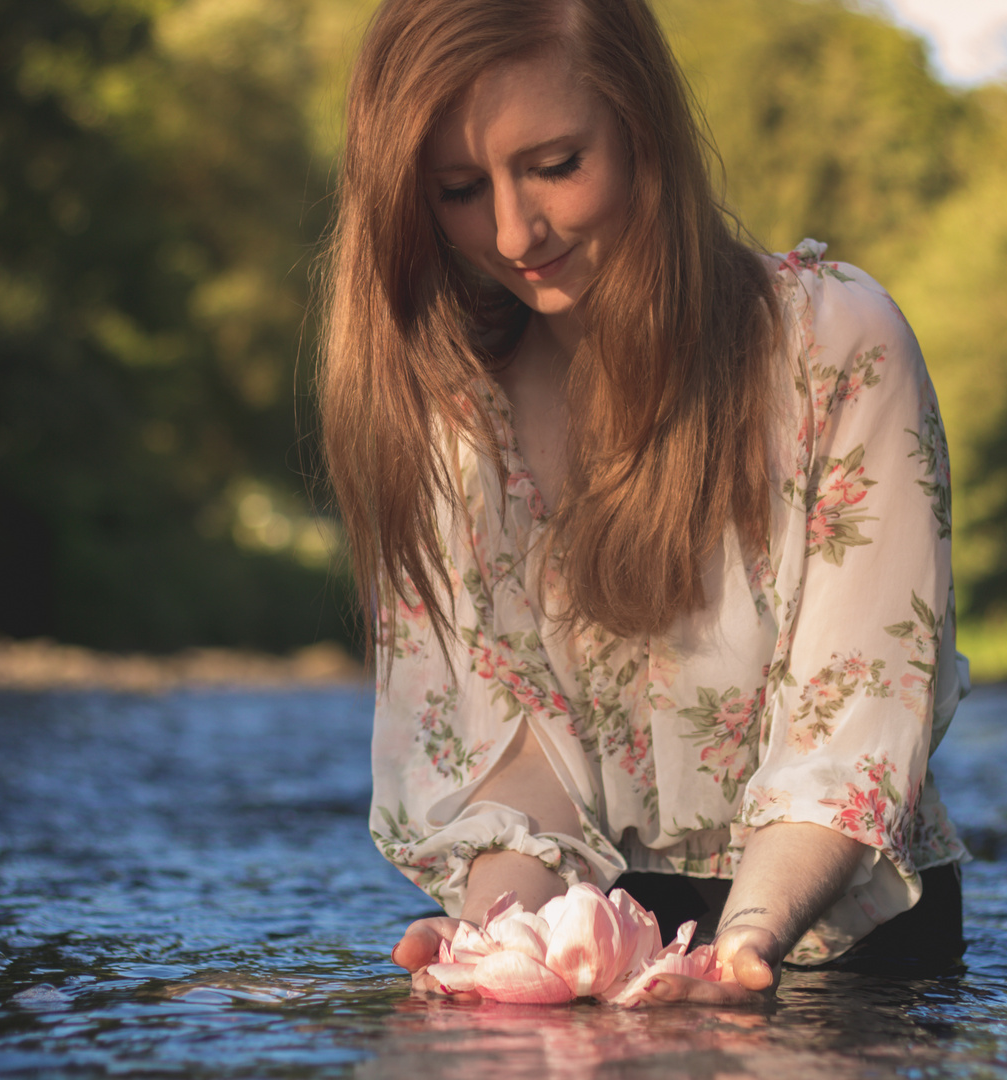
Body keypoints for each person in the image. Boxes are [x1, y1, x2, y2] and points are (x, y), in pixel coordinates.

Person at [318, 0, 970, 1005]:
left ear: (641, 124)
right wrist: (507, 942)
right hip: (600, 943)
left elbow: (853, 720)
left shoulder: (841, 347)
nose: (511, 231)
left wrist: (746, 942)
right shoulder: (457, 413)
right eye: (457, 189)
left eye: (554, 165)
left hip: (850, 946)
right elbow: (506, 770)